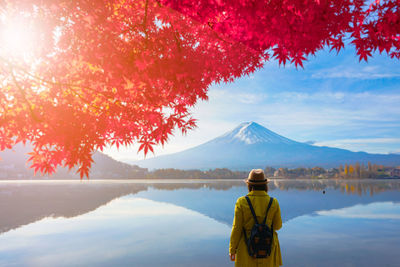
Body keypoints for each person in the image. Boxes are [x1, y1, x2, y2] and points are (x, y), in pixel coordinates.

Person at [229, 169, 282, 267]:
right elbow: (278, 226)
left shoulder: (241, 202)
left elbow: (237, 228)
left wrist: (232, 250)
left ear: (249, 185)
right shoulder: (273, 202)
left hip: (247, 251)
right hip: (267, 251)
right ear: (265, 185)